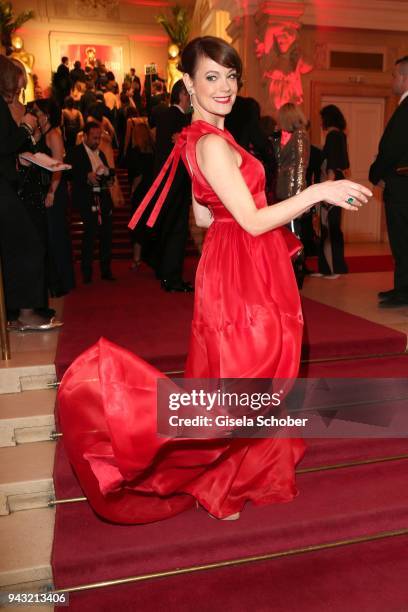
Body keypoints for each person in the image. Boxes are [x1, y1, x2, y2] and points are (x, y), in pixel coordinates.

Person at [58, 37, 370, 524]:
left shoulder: (200, 141)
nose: (224, 87)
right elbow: (251, 221)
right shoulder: (209, 143)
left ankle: (243, 470)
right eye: (211, 77)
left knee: (239, 375)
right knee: (250, 371)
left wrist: (234, 242)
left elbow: (205, 219)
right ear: (188, 82)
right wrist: (317, 192)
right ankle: (199, 467)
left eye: (230, 76)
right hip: (243, 263)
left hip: (231, 262)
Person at [0, 55, 61, 331]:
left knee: (20, 246)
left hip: (8, 181)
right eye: (18, 84)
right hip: (3, 187)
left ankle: (20, 310)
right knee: (28, 244)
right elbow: (5, 143)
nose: (19, 91)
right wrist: (25, 126)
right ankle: (23, 311)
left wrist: (20, 160)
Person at [370, 55, 408, 308]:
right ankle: (401, 288)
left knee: (402, 240)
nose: (392, 80)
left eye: (395, 75)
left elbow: (392, 149)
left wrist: (377, 174)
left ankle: (404, 292)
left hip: (402, 185)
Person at [149, 78, 192, 291]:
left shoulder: (164, 116)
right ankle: (172, 278)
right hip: (177, 182)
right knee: (177, 230)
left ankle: (163, 272)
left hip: (165, 181)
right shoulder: (181, 118)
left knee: (167, 227)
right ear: (183, 94)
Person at [65, 121, 115, 284]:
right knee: (89, 236)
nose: (97, 141)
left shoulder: (100, 154)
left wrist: (107, 174)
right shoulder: (75, 152)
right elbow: (69, 174)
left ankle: (106, 270)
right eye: (94, 138)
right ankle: (86, 272)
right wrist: (86, 176)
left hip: (102, 197)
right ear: (84, 136)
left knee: (106, 235)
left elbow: (108, 172)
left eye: (98, 138)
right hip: (86, 199)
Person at [272, 102, 310, 287]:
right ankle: (289, 269)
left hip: (293, 191)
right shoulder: (286, 136)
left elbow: (301, 166)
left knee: (294, 233)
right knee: (287, 232)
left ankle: (298, 269)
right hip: (283, 189)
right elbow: (279, 160)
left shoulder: (301, 136)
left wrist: (298, 196)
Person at [312, 104, 349, 279]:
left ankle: (333, 269)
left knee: (329, 228)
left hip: (332, 184)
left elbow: (332, 166)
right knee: (331, 227)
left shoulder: (333, 136)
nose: (321, 123)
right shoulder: (340, 136)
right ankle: (329, 268)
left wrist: (327, 190)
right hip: (337, 183)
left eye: (322, 119)